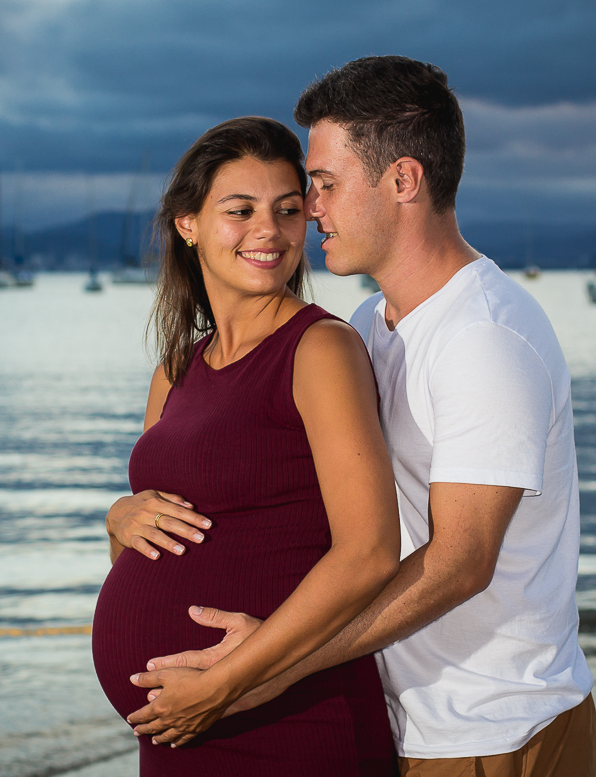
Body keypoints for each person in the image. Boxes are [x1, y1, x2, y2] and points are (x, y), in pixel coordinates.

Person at [124, 57, 596, 776]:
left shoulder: (484, 337)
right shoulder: (374, 323)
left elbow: (461, 563)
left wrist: (266, 670)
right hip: (408, 719)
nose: (310, 208)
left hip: (491, 726)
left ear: (403, 180)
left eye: (324, 183)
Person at [91, 116, 402, 776]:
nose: (270, 230)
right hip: (179, 732)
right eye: (241, 211)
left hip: (287, 718)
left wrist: (226, 684)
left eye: (288, 210)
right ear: (188, 224)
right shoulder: (176, 369)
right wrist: (118, 519)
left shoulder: (320, 349)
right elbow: (149, 551)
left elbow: (370, 553)